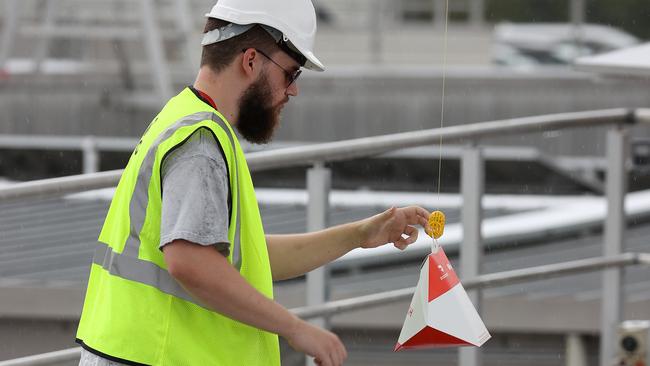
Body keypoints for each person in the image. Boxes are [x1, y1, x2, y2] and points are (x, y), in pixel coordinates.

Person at [75, 1, 431, 365]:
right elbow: (190, 261)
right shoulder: (201, 144)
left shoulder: (184, 119)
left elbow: (249, 260)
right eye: (291, 73)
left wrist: (361, 234)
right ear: (250, 61)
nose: (293, 91)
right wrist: (294, 328)